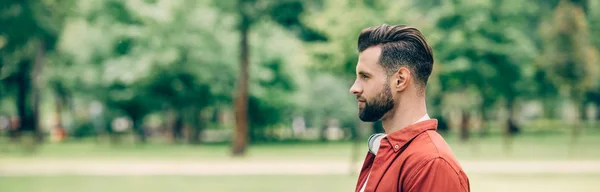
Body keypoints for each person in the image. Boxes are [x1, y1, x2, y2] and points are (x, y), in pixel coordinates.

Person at [349, 24, 470, 192]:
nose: (354, 88)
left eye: (365, 76)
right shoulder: (388, 151)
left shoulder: (431, 164)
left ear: (400, 80)